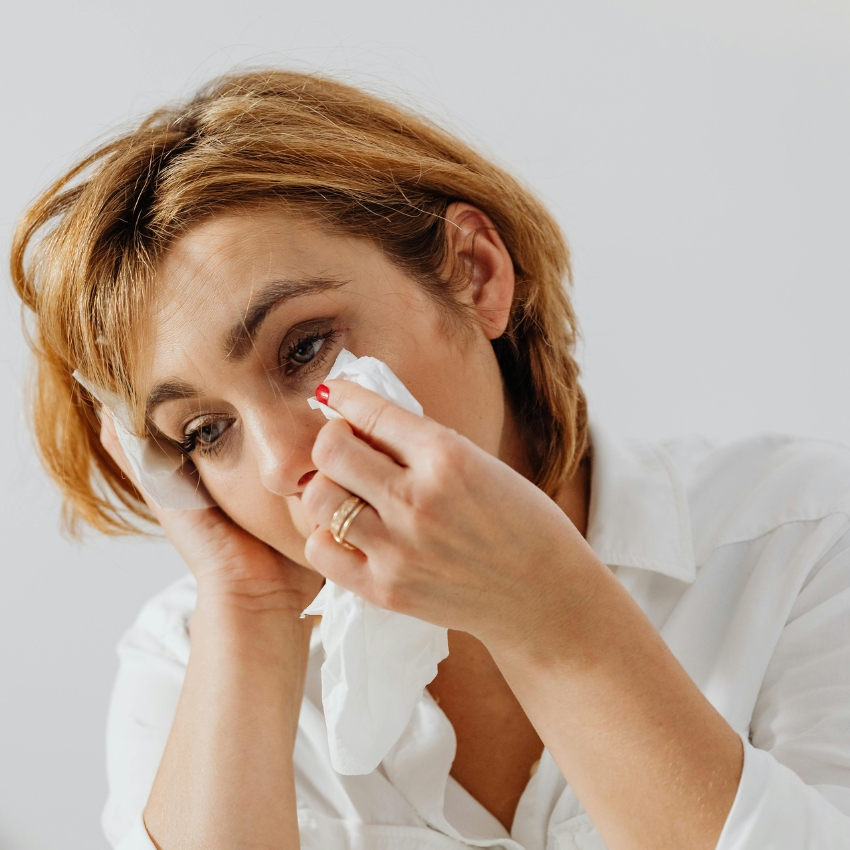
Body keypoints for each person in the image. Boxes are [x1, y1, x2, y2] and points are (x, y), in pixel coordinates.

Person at [10, 70, 850, 850]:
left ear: (476, 273)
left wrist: (550, 617)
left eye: (304, 348)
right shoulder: (188, 664)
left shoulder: (801, 539)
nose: (279, 463)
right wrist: (251, 607)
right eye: (204, 431)